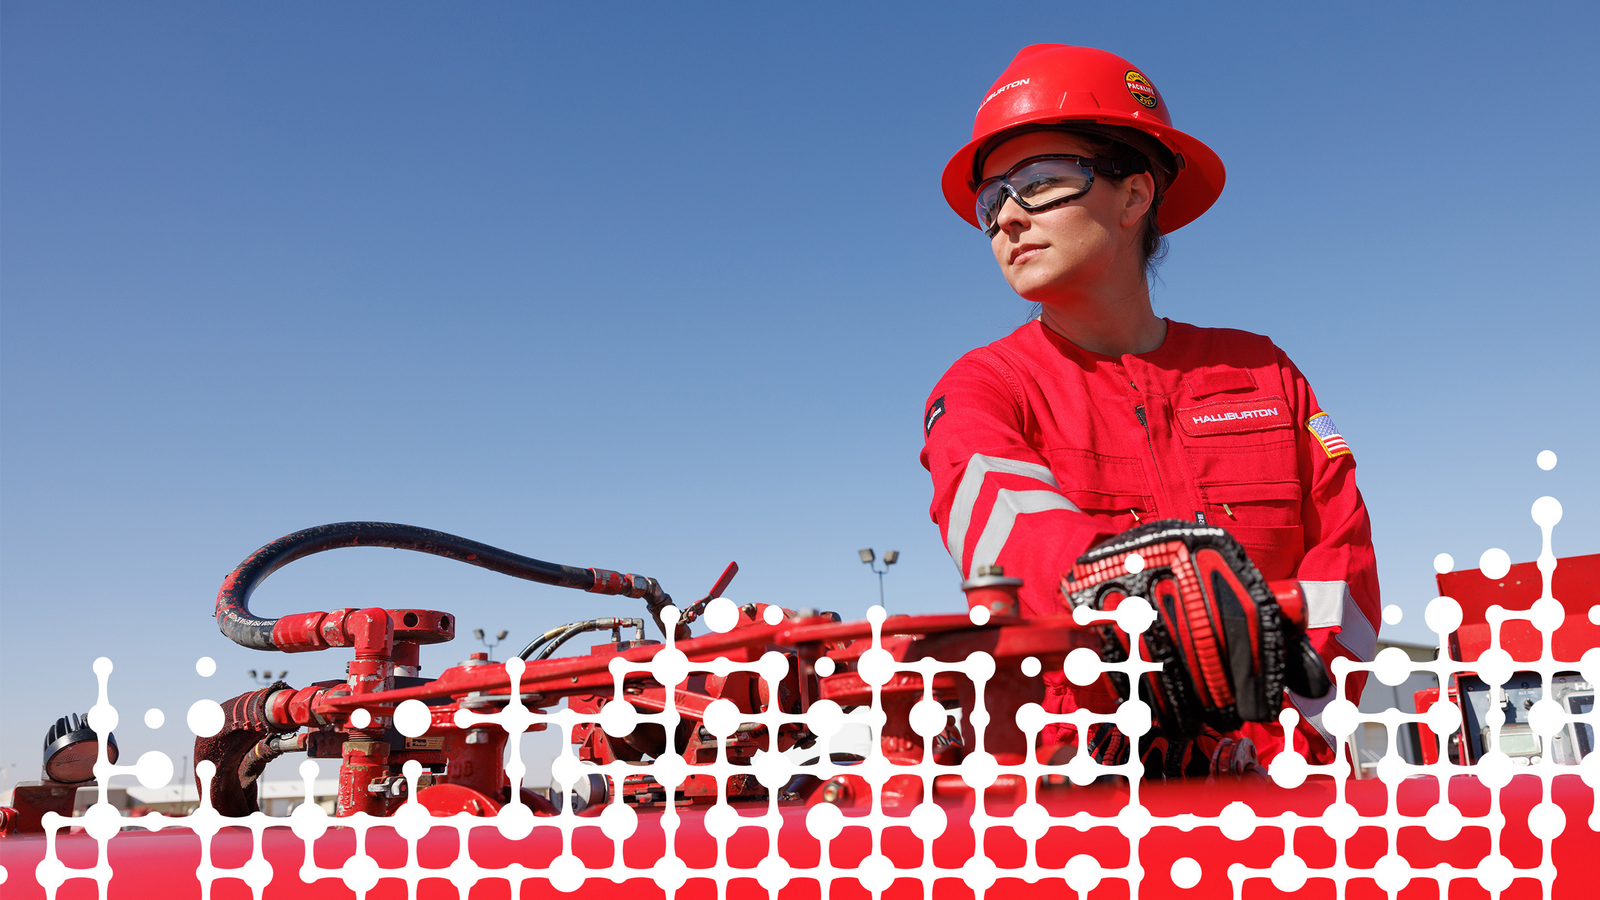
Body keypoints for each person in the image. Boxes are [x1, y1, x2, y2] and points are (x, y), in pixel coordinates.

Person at [920, 45, 1380, 773]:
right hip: (1086, 803)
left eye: (1039, 183)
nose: (1007, 217)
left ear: (1135, 197)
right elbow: (1002, 521)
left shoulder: (1263, 371)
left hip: (1286, 793)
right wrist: (1140, 606)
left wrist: (1287, 731)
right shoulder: (984, 386)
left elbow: (1345, 573)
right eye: (992, 200)